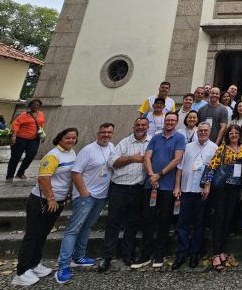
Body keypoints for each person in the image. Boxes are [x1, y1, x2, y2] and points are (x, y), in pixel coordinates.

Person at [11, 128, 79, 287]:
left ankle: (34, 264)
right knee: (32, 235)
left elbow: (68, 176)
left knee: (43, 234)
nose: (70, 140)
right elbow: (43, 178)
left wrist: (68, 192)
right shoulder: (53, 155)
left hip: (58, 201)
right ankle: (21, 271)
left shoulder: (71, 153)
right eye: (67, 138)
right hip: (42, 201)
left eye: (73, 138)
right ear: (60, 138)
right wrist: (50, 198)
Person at [55, 123, 115, 284]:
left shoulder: (112, 147)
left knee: (87, 226)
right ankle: (63, 265)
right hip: (86, 196)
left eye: (109, 133)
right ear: (97, 133)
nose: (106, 135)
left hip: (101, 196)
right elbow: (76, 172)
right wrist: (83, 192)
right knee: (73, 229)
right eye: (103, 132)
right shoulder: (88, 150)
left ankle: (79, 257)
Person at [133, 112, 185, 269]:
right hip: (151, 185)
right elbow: (147, 157)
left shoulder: (179, 138)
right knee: (148, 220)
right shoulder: (155, 137)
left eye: (172, 120)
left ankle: (159, 254)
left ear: (176, 122)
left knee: (164, 221)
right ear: (164, 121)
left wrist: (160, 174)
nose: (169, 122)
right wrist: (151, 175)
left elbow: (177, 159)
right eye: (167, 120)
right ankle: (145, 254)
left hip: (167, 186)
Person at [98, 117, 149, 272]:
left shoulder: (151, 142)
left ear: (148, 127)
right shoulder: (125, 142)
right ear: (133, 127)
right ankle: (107, 257)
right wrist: (132, 158)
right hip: (119, 188)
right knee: (113, 223)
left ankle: (128, 255)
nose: (140, 127)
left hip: (137, 189)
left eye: (143, 125)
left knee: (132, 224)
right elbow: (112, 162)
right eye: (138, 125)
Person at [172, 122, 218, 270]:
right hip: (185, 190)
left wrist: (208, 186)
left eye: (206, 130)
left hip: (201, 193)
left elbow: (213, 170)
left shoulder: (214, 148)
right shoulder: (188, 147)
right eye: (201, 130)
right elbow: (179, 168)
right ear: (197, 132)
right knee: (182, 224)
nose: (203, 132)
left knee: (199, 224)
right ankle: (181, 253)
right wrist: (177, 186)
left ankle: (195, 253)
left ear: (209, 132)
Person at [205, 124, 242, 272]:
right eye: (231, 133)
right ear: (227, 136)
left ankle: (221, 249)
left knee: (228, 220)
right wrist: (207, 185)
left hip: (234, 189)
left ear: (240, 135)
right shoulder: (222, 149)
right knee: (219, 220)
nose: (233, 135)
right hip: (221, 188)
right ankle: (215, 254)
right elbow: (212, 166)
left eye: (236, 133)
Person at [7, 99, 46, 181]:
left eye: (38, 104)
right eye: (34, 104)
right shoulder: (24, 115)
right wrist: (13, 136)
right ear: (30, 105)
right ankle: (10, 175)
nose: (36, 106)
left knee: (31, 155)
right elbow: (16, 125)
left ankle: (20, 172)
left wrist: (42, 136)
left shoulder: (41, 114)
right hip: (21, 138)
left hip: (34, 139)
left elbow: (41, 125)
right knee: (15, 157)